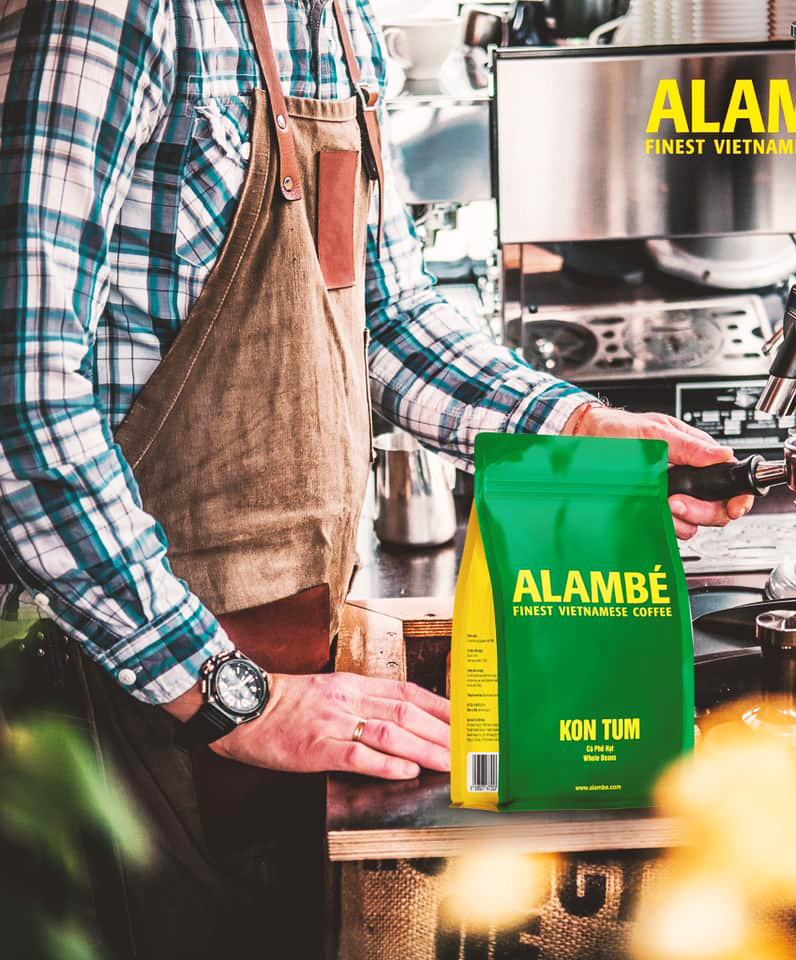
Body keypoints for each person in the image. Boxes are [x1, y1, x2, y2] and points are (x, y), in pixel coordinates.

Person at [0, 0, 752, 955]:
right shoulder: (119, 13)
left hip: (288, 654)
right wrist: (227, 692)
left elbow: (387, 313)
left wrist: (577, 429)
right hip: (128, 679)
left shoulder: (337, 20)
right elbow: (23, 403)